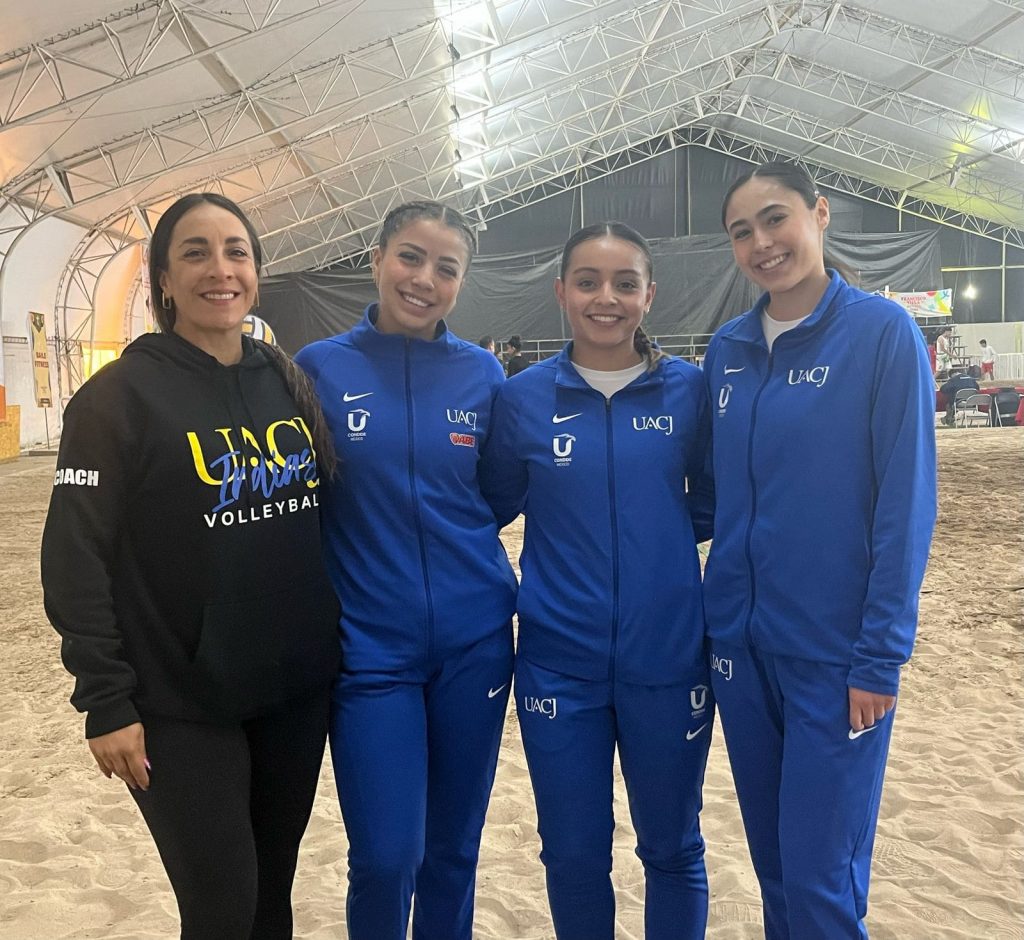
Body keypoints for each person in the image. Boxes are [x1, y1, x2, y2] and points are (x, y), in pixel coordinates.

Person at [40, 192, 342, 939]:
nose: (220, 269)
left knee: (271, 897)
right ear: (164, 280)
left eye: (236, 252)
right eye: (196, 253)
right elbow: (74, 559)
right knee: (220, 909)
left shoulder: (286, 382)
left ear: (257, 272)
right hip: (178, 702)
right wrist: (105, 700)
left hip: (292, 690)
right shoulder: (117, 398)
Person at [704, 161, 937, 938]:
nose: (762, 243)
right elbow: (715, 495)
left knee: (819, 879)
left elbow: (905, 505)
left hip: (836, 659)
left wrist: (880, 657)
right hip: (740, 653)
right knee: (776, 870)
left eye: (776, 218)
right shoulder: (727, 350)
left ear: (820, 213)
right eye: (742, 231)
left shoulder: (881, 333)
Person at [480, 222, 715, 940]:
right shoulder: (522, 399)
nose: (605, 298)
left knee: (672, 847)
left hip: (669, 661)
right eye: (587, 282)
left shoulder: (689, 391)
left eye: (624, 283)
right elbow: (488, 506)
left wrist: (655, 558)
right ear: (561, 292)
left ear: (649, 294)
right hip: (558, 665)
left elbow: (712, 503)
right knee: (573, 854)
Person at [294, 201, 517, 940]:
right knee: (387, 857)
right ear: (378, 259)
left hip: (475, 643)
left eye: (446, 268)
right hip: (370, 651)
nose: (425, 279)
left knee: (453, 851)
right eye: (411, 258)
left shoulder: (482, 374)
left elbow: (497, 495)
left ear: (461, 282)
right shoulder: (319, 368)